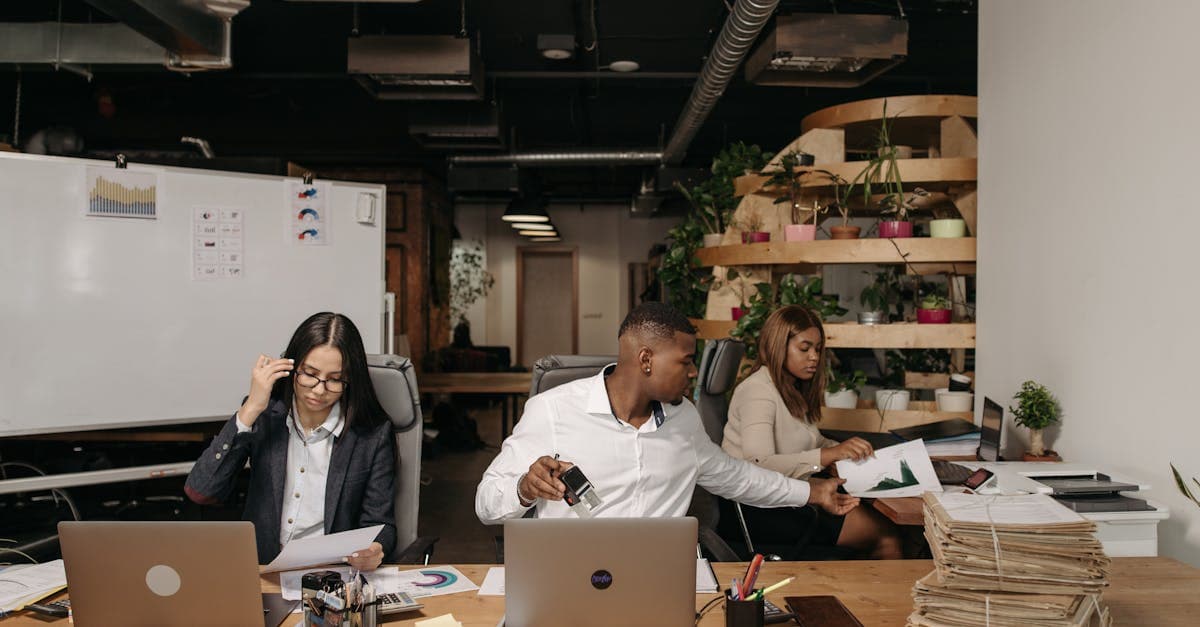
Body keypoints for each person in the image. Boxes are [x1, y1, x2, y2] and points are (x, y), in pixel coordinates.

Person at [475, 302, 858, 525]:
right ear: (646, 360)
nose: (693, 373)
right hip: (575, 578)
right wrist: (524, 488)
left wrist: (811, 492)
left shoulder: (684, 419)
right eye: (686, 361)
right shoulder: (553, 410)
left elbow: (737, 477)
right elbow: (486, 504)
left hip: (662, 578)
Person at [185, 312, 396, 570]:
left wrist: (375, 549)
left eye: (334, 379)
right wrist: (251, 408)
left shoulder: (372, 435)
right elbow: (201, 490)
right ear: (291, 368)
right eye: (310, 374)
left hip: (330, 576)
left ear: (350, 380)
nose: (319, 390)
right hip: (263, 572)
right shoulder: (265, 416)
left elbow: (380, 524)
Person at [722, 305, 903, 559]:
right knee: (887, 537)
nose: (814, 357)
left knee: (887, 525)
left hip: (794, 493)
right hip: (763, 508)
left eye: (818, 349)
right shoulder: (758, 391)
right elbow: (758, 462)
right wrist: (828, 455)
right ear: (777, 346)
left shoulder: (790, 389)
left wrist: (845, 451)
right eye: (804, 348)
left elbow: (812, 441)